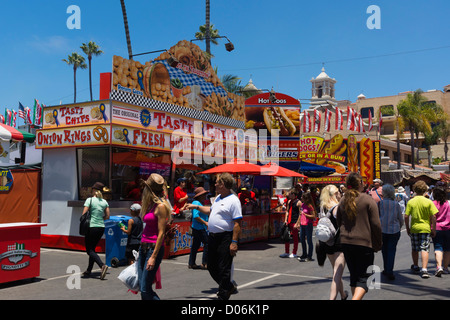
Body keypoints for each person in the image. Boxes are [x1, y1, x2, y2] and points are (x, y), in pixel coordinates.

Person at [186, 172, 242, 300]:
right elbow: (210, 210)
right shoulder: (218, 197)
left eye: (217, 182)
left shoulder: (233, 201)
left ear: (223, 184)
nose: (215, 184)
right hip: (213, 236)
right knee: (211, 265)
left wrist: (234, 242)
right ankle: (228, 286)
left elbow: (237, 223)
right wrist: (196, 206)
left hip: (225, 237)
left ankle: (223, 294)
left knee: (224, 267)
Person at [336, 173, 382, 300]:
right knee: (364, 279)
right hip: (364, 244)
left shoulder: (343, 200)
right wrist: (378, 243)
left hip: (346, 243)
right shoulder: (367, 199)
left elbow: (338, 221)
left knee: (354, 277)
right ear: (360, 184)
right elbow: (376, 224)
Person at [137, 173, 171, 300]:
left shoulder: (161, 206)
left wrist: (153, 256)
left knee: (145, 289)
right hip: (143, 247)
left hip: (153, 249)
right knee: (142, 286)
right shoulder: (150, 204)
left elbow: (161, 233)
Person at [318, 185, 348, 300]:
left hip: (327, 242)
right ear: (335, 194)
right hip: (338, 243)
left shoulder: (322, 207)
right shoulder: (337, 207)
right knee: (336, 273)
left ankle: (343, 295)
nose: (340, 193)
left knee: (336, 272)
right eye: (338, 192)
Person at [404, 180, 438, 279]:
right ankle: (424, 269)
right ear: (424, 190)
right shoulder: (428, 201)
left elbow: (406, 216)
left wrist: (407, 228)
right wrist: (433, 229)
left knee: (415, 248)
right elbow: (434, 216)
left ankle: (415, 266)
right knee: (425, 248)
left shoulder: (411, 201)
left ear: (415, 189)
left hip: (414, 228)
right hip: (425, 228)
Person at [81, 182, 110, 279]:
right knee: (92, 248)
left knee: (89, 250)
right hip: (101, 227)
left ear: (94, 190)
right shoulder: (104, 202)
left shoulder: (90, 200)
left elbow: (84, 214)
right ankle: (89, 270)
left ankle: (102, 265)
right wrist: (100, 218)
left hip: (91, 227)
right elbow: (107, 216)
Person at [378, 184, 404, 280]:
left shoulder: (379, 204)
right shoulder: (396, 204)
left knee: (384, 250)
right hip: (394, 231)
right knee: (391, 250)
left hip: (383, 230)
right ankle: (389, 270)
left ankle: (386, 269)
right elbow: (400, 219)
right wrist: (399, 227)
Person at [188, 187, 210, 270]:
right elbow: (196, 216)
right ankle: (204, 263)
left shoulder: (198, 203)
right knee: (207, 243)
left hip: (198, 227)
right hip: (199, 227)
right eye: (204, 194)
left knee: (195, 245)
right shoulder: (196, 203)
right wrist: (205, 222)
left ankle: (192, 263)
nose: (205, 196)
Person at [431, 187, 450, 276]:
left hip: (437, 228)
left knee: (438, 247)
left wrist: (433, 229)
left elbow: (433, 216)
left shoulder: (433, 203)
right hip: (447, 228)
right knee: (447, 249)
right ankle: (446, 268)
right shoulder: (447, 203)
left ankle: (439, 267)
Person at [280, 188, 302, 258]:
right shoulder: (289, 202)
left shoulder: (299, 202)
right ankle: (287, 252)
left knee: (295, 238)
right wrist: (286, 220)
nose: (288, 195)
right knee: (286, 236)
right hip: (289, 221)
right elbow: (287, 211)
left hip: (294, 221)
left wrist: (298, 223)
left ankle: (294, 252)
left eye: (289, 194)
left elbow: (300, 213)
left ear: (293, 194)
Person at [297, 191, 316, 262]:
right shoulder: (302, 205)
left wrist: (306, 214)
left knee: (309, 240)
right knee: (302, 239)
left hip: (308, 224)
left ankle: (309, 256)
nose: (301, 198)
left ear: (306, 198)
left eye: (302, 197)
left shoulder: (309, 206)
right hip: (302, 224)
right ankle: (304, 254)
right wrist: (298, 223)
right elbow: (300, 214)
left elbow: (313, 216)